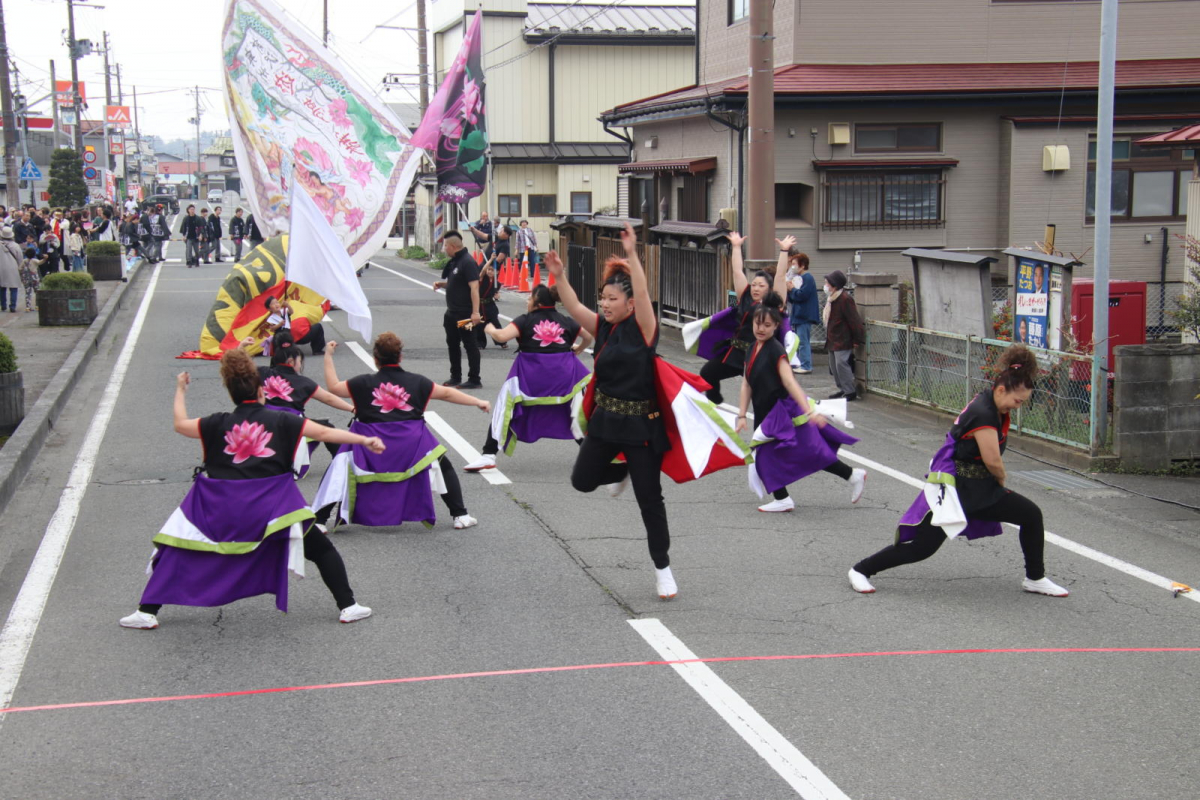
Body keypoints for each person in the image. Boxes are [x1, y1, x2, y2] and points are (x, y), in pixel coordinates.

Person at [118, 349, 382, 630]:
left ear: (231, 394)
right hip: (272, 508)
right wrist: (364, 440)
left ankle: (147, 611)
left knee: (175, 547)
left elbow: (180, 425)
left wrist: (180, 390)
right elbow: (326, 434)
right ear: (261, 392)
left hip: (219, 507)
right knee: (322, 550)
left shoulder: (216, 423)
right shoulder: (284, 421)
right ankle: (348, 606)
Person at [848, 344, 1068, 598]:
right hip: (958, 489)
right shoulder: (984, 414)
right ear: (1000, 389)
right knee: (922, 547)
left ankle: (1035, 577)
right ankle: (861, 569)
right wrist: (1001, 481)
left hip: (979, 488)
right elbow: (993, 461)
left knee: (1030, 515)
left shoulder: (988, 401)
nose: (1018, 406)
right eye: (1017, 400)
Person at [550, 224, 679, 599]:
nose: (604, 304)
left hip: (641, 427)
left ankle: (663, 569)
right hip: (605, 423)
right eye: (602, 298)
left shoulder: (644, 329)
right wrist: (559, 276)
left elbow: (642, 291)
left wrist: (634, 255)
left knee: (649, 501)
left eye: (611, 299)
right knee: (582, 480)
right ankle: (619, 471)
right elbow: (573, 307)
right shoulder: (602, 328)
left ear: (630, 304)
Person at [311, 334, 488, 531]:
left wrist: (328, 354)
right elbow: (447, 393)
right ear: (400, 357)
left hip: (370, 445)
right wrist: (478, 402)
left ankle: (319, 520)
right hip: (410, 445)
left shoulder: (361, 382)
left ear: (375, 359)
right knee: (441, 463)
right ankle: (460, 515)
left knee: (339, 466)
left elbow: (333, 387)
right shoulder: (418, 382)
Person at [736, 293, 865, 512]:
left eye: (767, 325)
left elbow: (790, 382)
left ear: (776, 326)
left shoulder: (775, 350)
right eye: (758, 323)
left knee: (782, 452)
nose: (761, 328)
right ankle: (852, 475)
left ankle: (783, 498)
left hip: (784, 413)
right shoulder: (751, 348)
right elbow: (747, 384)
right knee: (805, 451)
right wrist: (741, 414)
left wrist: (809, 411)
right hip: (764, 411)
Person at [464, 284, 593, 472]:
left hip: (531, 377)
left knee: (505, 406)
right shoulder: (566, 320)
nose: (528, 301)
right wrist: (579, 349)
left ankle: (488, 455)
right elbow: (588, 336)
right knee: (575, 411)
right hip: (564, 377)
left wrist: (490, 329)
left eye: (530, 298)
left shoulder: (525, 320)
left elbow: (501, 337)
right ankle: (592, 455)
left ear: (537, 302)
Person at [697, 232, 792, 405]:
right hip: (737, 354)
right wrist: (736, 247)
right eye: (754, 284)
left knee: (764, 400)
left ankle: (774, 424)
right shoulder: (746, 297)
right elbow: (737, 271)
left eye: (761, 286)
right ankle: (715, 401)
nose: (755, 288)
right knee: (707, 373)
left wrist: (784, 251)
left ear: (770, 289)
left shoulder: (774, 303)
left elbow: (780, 277)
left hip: (762, 356)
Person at [257, 331, 355, 480]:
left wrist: (241, 347)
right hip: (292, 426)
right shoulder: (303, 383)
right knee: (326, 428)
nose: (300, 363)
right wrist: (353, 409)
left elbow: (237, 367)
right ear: (291, 361)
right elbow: (329, 398)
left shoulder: (262, 372)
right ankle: (342, 463)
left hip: (261, 425)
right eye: (299, 360)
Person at [432, 231, 482, 389]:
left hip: (465, 313)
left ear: (453, 246)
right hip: (452, 312)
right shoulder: (455, 261)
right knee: (452, 344)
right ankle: (455, 376)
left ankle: (474, 379)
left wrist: (475, 312)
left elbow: (474, 287)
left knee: (469, 344)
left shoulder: (467, 262)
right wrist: (443, 284)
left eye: (445, 245)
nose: (444, 249)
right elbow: (457, 282)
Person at [823, 270, 864, 401]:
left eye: (827, 283)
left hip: (842, 338)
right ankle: (843, 389)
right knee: (834, 366)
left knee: (841, 364)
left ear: (834, 285)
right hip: (833, 338)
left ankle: (849, 391)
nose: (825, 286)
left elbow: (854, 320)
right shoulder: (832, 299)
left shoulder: (845, 299)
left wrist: (857, 338)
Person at [786, 251, 818, 375]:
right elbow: (794, 298)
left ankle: (806, 365)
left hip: (804, 315)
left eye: (794, 264)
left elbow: (801, 295)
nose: (792, 266)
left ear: (802, 265)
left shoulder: (807, 278)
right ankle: (802, 363)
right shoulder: (798, 278)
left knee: (803, 341)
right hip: (799, 315)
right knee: (799, 341)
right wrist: (790, 291)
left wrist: (791, 289)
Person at [475, 255, 506, 350]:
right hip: (480, 305)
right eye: (489, 269)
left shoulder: (497, 283)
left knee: (495, 323)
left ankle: (501, 342)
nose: (490, 271)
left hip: (490, 305)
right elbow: (483, 271)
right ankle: (480, 343)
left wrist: (496, 295)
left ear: (497, 272)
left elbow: (495, 293)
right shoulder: (482, 278)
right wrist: (491, 259)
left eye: (492, 270)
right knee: (479, 325)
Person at [0, 227, 22, 313]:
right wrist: (21, 268)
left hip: (1, 267)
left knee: (2, 287)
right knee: (13, 287)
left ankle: (3, 305)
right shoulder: (15, 245)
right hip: (13, 267)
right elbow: (20, 258)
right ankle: (13, 306)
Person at [20, 246, 40, 311]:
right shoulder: (35, 260)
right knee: (37, 292)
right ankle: (37, 306)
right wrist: (45, 259)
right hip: (34, 278)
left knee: (28, 293)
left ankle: (28, 307)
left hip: (26, 278)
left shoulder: (24, 261)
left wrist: (22, 275)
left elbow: (19, 268)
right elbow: (40, 262)